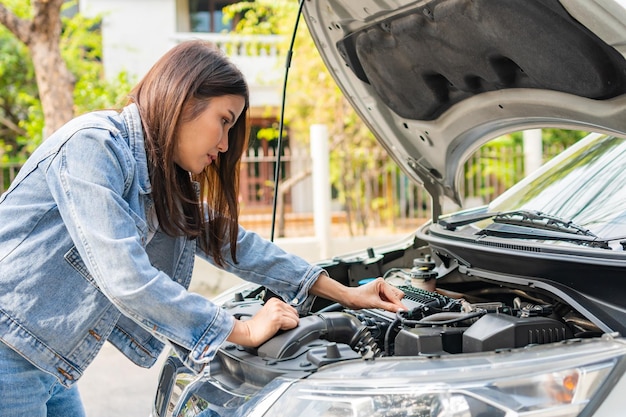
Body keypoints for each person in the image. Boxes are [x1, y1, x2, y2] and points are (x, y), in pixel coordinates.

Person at [0, 40, 406, 416]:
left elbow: (237, 245)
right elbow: (123, 275)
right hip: (8, 354)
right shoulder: (93, 146)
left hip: (46, 361)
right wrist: (241, 329)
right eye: (224, 121)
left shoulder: (165, 182)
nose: (226, 144)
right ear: (182, 98)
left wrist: (347, 294)